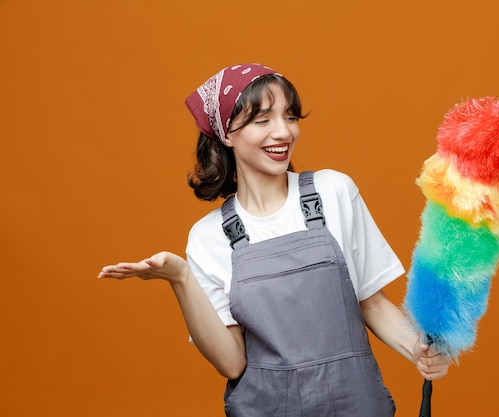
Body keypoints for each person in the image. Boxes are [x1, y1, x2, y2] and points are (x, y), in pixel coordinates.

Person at [98, 63, 450, 416]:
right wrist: (181, 278)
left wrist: (417, 347)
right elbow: (231, 363)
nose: (283, 132)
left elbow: (371, 304)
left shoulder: (334, 191)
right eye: (262, 120)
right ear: (227, 134)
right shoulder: (209, 237)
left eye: (290, 116)